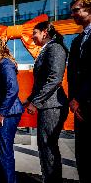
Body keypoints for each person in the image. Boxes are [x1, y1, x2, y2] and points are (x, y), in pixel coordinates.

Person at [23, 21, 69, 183]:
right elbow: (41, 82)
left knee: (48, 147)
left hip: (53, 105)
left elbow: (54, 79)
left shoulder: (55, 47)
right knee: (45, 147)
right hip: (49, 105)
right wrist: (29, 100)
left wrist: (35, 102)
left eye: (34, 32)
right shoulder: (47, 49)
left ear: (44, 32)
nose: (32, 36)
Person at [0, 36, 24, 183]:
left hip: (7, 113)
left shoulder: (5, 63)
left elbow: (13, 89)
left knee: (4, 152)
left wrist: (2, 112)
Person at [68, 0, 91, 182]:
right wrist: (73, 100)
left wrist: (79, 98)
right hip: (79, 108)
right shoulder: (76, 41)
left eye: (76, 9)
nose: (72, 14)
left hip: (87, 101)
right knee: (82, 157)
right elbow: (72, 75)